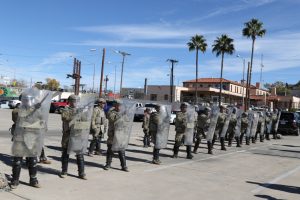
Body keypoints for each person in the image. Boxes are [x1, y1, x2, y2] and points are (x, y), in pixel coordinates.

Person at [10, 92, 46, 188]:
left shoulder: (36, 110)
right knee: (17, 161)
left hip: (32, 137)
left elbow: (41, 121)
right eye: (25, 99)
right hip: (20, 138)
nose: (28, 101)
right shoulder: (16, 110)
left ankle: (33, 180)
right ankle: (15, 180)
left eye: (29, 99)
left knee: (32, 160)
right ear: (21, 100)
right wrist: (33, 109)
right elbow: (19, 119)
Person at [60, 94, 87, 180]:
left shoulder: (81, 110)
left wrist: (82, 113)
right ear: (70, 101)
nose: (75, 103)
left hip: (77, 135)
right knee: (65, 154)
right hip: (68, 135)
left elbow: (85, 122)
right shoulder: (66, 110)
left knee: (80, 155)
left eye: (77, 101)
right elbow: (65, 118)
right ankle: (64, 171)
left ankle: (81, 173)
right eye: (74, 101)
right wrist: (76, 113)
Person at [104, 100, 129, 172]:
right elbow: (113, 119)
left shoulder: (124, 113)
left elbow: (126, 122)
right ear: (115, 105)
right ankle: (108, 164)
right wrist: (122, 114)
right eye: (119, 105)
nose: (120, 106)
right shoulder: (111, 112)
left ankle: (124, 166)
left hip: (120, 135)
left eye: (121, 105)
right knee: (110, 151)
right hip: (113, 135)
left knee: (121, 151)